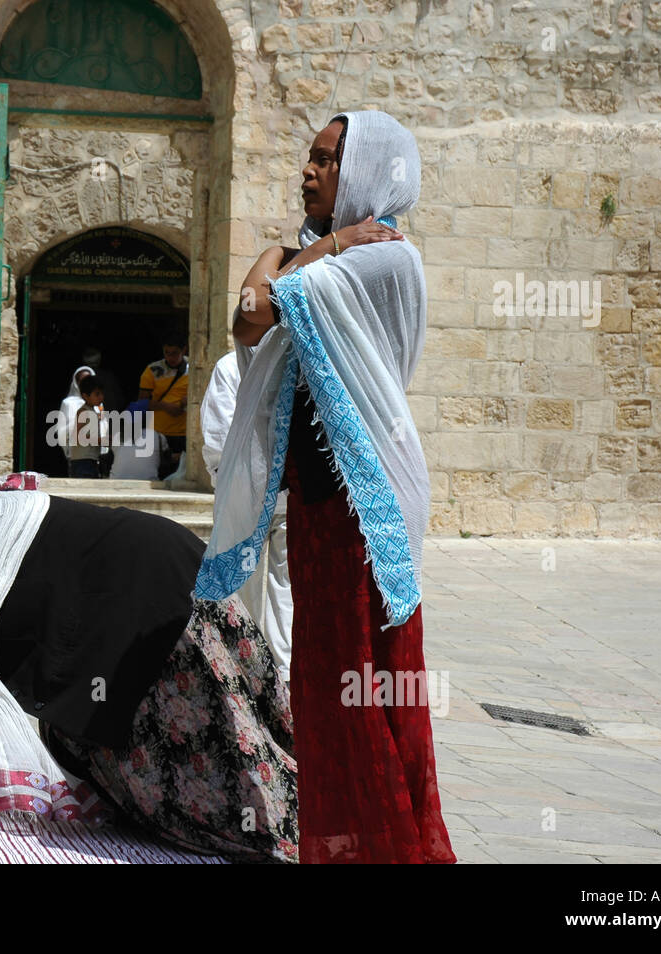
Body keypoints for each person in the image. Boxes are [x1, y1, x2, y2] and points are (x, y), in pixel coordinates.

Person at [196, 111, 455, 864]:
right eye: (308, 158)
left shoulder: (384, 258)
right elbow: (243, 320)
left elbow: (261, 307)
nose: (307, 172)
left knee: (366, 692)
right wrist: (311, 244)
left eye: (326, 161)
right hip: (316, 508)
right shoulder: (330, 254)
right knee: (323, 688)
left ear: (370, 173)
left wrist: (316, 251)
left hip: (362, 508)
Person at [0, 465, 298, 862]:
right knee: (84, 730)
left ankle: (291, 831)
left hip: (157, 605)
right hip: (167, 570)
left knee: (217, 749)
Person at [202, 348, 292, 683]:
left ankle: (251, 662)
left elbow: (218, 431)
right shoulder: (293, 361)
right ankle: (279, 666)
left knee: (252, 582)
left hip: (251, 490)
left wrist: (224, 480)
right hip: (278, 491)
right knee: (279, 584)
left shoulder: (229, 366)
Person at [138, 336, 189, 480]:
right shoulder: (153, 370)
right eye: (167, 352)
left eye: (175, 353)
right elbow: (142, 401)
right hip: (157, 432)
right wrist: (166, 407)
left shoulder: (195, 368)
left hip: (183, 432)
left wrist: (190, 401)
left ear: (184, 350)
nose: (170, 357)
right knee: (158, 472)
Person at [67, 374, 106, 478]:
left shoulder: (92, 411)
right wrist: (100, 440)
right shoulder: (83, 412)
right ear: (85, 396)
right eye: (97, 394)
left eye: (102, 393)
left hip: (90, 460)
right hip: (82, 462)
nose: (101, 397)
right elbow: (79, 437)